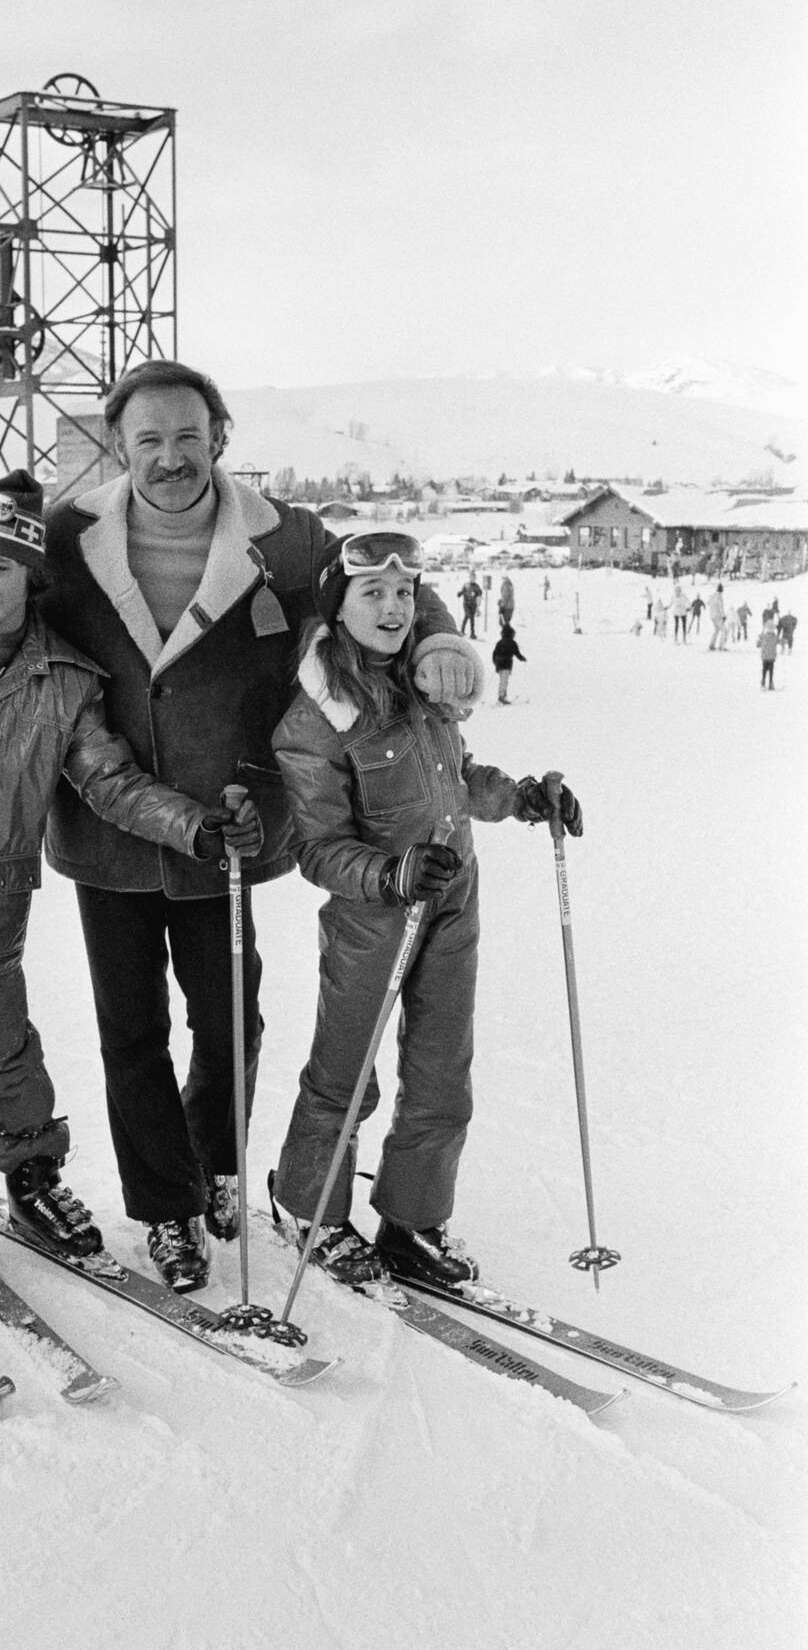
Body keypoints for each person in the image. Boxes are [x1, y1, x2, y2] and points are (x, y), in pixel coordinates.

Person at [0, 359, 481, 1291]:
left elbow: (382, 575)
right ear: (119, 446)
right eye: (150, 439)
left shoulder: (287, 539)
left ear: (220, 439)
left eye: (188, 437)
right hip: (105, 828)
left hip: (230, 826)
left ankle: (215, 1167)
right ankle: (166, 1206)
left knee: (229, 1020)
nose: (171, 457)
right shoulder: (69, 532)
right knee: (131, 1032)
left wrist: (440, 633)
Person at [0, 473, 260, 1282]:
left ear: (32, 575)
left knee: (7, 1051)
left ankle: (30, 1172)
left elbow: (110, 781)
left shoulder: (64, 679)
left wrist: (193, 825)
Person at [269, 530, 583, 1286]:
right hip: (372, 921)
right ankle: (309, 1210)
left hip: (450, 904)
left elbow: (459, 777)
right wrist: (390, 873)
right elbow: (317, 850)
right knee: (345, 1077)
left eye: (404, 592)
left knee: (443, 1073)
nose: (393, 608)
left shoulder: (424, 686)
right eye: (372, 592)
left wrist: (523, 798)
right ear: (338, 606)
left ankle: (412, 1219)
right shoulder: (314, 720)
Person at [491, 619, 526, 703]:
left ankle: (503, 695)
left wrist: (495, 663)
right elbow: (517, 653)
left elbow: (494, 653)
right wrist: (522, 658)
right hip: (506, 664)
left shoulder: (500, 642)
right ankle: (501, 697)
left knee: (502, 680)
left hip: (499, 664)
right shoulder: (512, 643)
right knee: (504, 681)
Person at [458, 571, 482, 638]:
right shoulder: (466, 585)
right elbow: (463, 591)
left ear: (475, 578)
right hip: (466, 604)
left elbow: (479, 594)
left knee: (471, 618)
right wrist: (459, 594)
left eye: (473, 577)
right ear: (469, 578)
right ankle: (463, 631)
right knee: (468, 615)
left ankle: (471, 633)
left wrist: (479, 599)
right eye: (471, 577)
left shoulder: (476, 586)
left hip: (473, 605)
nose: (472, 579)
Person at [758, 617, 779, 690]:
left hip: (764, 656)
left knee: (764, 669)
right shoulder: (775, 637)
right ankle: (770, 683)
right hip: (772, 657)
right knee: (771, 670)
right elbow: (780, 642)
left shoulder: (763, 636)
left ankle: (763, 683)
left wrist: (759, 638)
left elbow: (758, 645)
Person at [707, 584, 727, 651]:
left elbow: (708, 603)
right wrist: (723, 616)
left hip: (712, 616)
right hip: (718, 616)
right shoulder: (719, 597)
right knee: (724, 630)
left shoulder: (711, 596)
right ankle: (721, 646)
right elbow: (721, 607)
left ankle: (711, 645)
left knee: (716, 630)